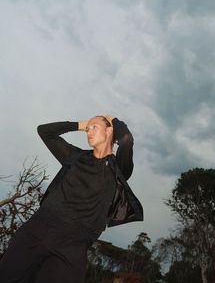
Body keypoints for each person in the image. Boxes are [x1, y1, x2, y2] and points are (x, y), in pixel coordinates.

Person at [0, 115, 143, 283]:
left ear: (110, 130)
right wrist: (81, 125)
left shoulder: (117, 168)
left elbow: (126, 140)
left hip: (73, 244)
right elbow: (44, 131)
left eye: (94, 127)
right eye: (88, 129)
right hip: (38, 229)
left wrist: (115, 120)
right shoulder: (75, 156)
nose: (89, 131)